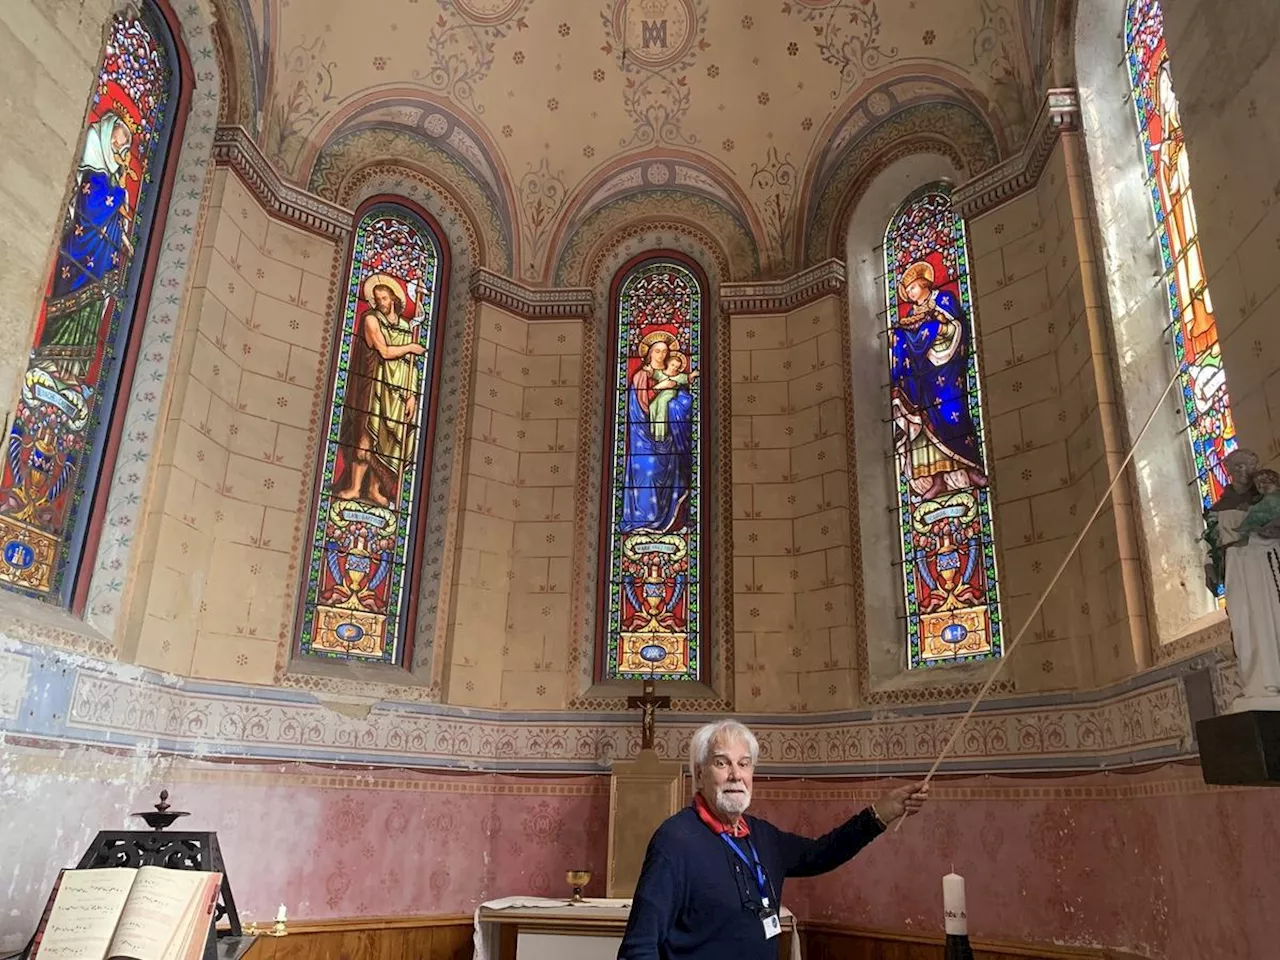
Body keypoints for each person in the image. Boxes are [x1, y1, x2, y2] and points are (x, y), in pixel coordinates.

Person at [618, 719, 928, 960]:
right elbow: (639, 947)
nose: (735, 775)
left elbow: (823, 852)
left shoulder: (763, 836)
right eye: (722, 762)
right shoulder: (675, 840)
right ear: (700, 774)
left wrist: (880, 814)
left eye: (744, 763)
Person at [889, 260, 986, 502]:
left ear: (923, 283)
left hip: (947, 369)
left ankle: (970, 468)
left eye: (911, 288)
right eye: (907, 291)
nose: (910, 294)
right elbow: (909, 343)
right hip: (921, 377)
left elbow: (957, 327)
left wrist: (940, 330)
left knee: (954, 414)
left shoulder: (944, 300)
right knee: (924, 423)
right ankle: (936, 479)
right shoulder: (911, 314)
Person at [334, 273, 426, 506]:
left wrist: (412, 395)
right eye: (376, 298)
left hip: (397, 391)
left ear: (394, 298)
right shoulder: (371, 320)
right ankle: (355, 487)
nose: (380, 303)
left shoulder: (406, 326)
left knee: (388, 443)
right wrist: (411, 347)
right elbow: (384, 352)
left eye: (384, 298)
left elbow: (411, 368)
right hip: (375, 385)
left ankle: (375, 490)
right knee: (366, 438)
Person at [649, 352, 697, 442]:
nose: (674, 368)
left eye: (677, 367)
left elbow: (687, 378)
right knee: (652, 406)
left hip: (670, 394)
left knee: (662, 407)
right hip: (661, 394)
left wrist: (692, 375)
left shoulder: (679, 376)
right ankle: (653, 430)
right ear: (667, 363)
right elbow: (654, 374)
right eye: (673, 365)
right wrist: (649, 370)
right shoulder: (661, 373)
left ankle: (661, 434)